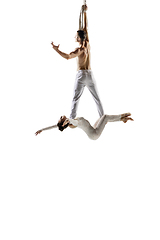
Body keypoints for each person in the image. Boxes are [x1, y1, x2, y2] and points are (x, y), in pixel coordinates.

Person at [51, 4, 104, 119]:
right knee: (97, 98)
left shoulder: (79, 49)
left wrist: (57, 50)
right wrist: (83, 12)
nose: (74, 37)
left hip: (81, 75)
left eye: (76, 36)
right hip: (90, 74)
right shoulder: (87, 44)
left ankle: (71, 119)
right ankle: (102, 117)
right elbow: (85, 27)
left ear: (79, 38)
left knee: (75, 99)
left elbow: (68, 57)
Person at [35, 113, 133, 140]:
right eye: (61, 118)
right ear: (64, 121)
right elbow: (72, 121)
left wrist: (41, 129)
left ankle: (122, 119)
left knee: (102, 119)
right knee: (105, 117)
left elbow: (54, 126)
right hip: (94, 134)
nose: (61, 116)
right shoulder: (73, 123)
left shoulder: (70, 123)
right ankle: (122, 117)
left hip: (93, 129)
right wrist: (68, 121)